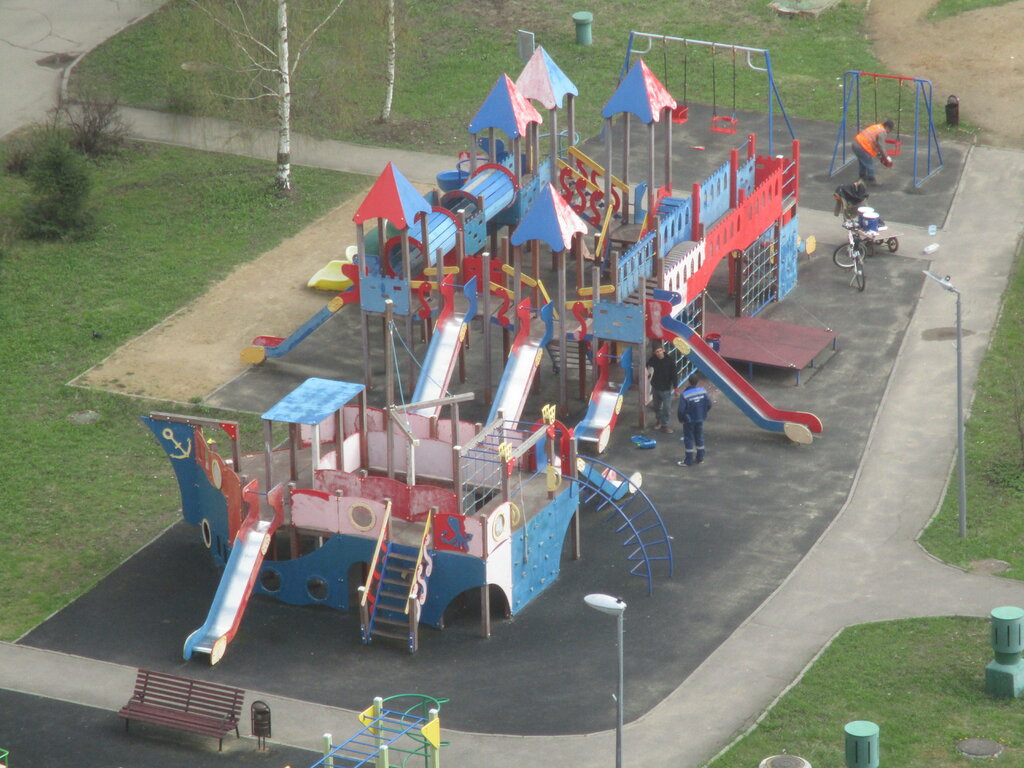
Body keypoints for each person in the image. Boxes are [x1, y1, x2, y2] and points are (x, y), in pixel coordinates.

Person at [677, 374, 712, 467]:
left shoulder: (685, 395)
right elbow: (709, 404)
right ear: (697, 382)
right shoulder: (703, 392)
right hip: (699, 418)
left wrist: (682, 419)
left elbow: (681, 410)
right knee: (699, 437)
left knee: (688, 439)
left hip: (689, 420)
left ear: (688, 382)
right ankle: (700, 457)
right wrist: (703, 412)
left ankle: (688, 460)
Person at [851, 119, 894, 184]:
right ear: (887, 127)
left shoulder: (877, 126)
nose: (888, 132)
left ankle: (862, 175)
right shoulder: (882, 132)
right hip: (862, 146)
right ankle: (871, 179)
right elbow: (881, 145)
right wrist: (886, 156)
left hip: (856, 143)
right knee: (869, 162)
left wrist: (878, 154)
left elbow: (874, 143)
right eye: (889, 130)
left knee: (862, 161)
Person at [646, 343, 675, 434]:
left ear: (663, 350)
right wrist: (648, 373)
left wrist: (676, 387)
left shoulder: (670, 361)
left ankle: (664, 425)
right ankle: (659, 421)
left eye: (659, 351)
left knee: (666, 407)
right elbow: (647, 364)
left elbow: (674, 375)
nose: (658, 353)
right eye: (656, 352)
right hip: (656, 387)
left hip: (666, 388)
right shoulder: (654, 360)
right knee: (657, 406)